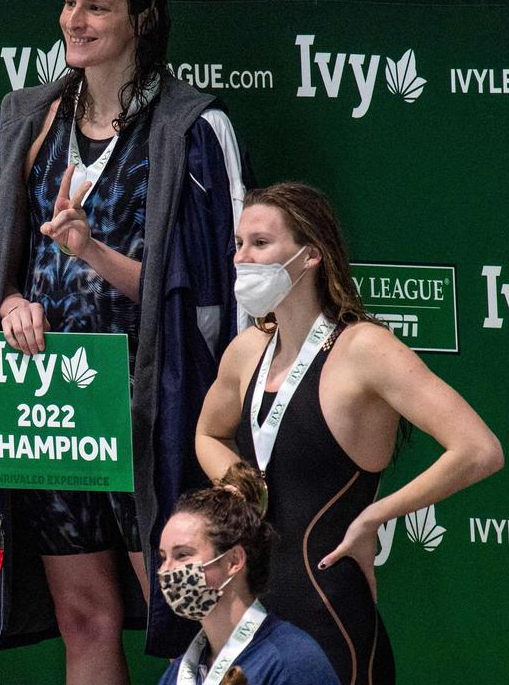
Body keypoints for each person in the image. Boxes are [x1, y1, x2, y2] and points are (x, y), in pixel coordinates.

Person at [0, 0, 248, 682]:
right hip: (50, 412)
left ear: (143, 18)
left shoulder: (190, 129)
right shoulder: (27, 119)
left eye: (96, 6)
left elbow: (217, 283)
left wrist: (91, 253)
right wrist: (16, 303)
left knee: (184, 615)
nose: (74, 20)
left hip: (151, 410)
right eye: (67, 2)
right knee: (81, 618)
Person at [195, 182, 503, 685]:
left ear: (311, 254)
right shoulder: (247, 348)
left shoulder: (366, 349)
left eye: (260, 243)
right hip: (251, 608)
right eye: (238, 243)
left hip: (329, 612)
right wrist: (240, 481)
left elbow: (480, 449)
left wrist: (375, 516)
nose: (241, 258)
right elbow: (208, 433)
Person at [157, 462, 340, 685]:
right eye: (163, 557)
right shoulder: (179, 674)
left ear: (233, 560)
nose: (166, 570)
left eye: (183, 555)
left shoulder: (292, 662)